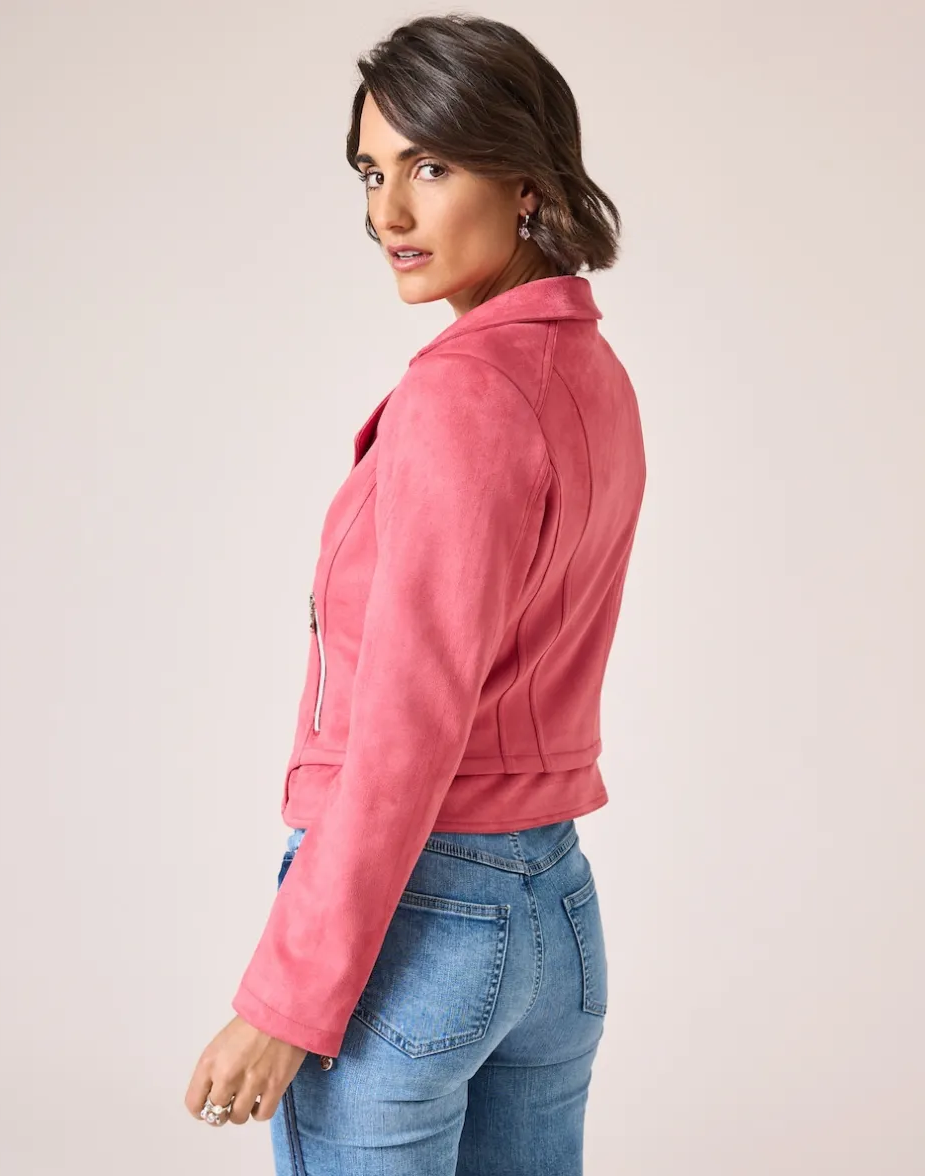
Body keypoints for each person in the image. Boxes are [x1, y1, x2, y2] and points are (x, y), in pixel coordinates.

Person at [185, 13, 646, 1174]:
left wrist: (286, 1000)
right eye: (370, 171)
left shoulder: (464, 392)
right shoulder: (590, 372)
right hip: (553, 909)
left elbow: (410, 721)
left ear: (526, 180)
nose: (387, 213)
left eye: (430, 167)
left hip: (420, 920)